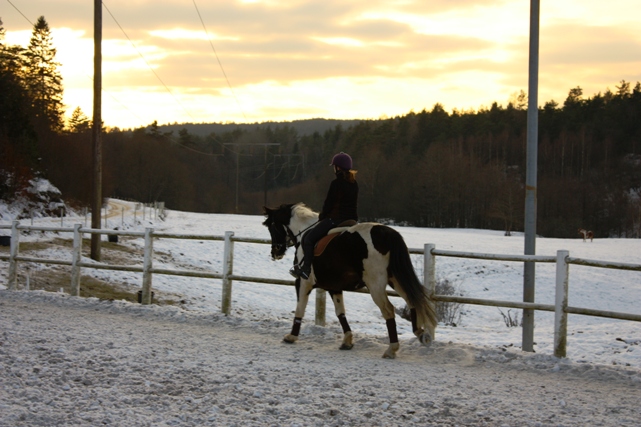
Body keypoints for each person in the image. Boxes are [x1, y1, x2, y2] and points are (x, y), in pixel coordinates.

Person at [290, 152, 359, 280]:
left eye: (334, 166)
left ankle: (306, 270)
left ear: (338, 167)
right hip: (352, 220)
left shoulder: (336, 183)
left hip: (336, 220)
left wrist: (323, 215)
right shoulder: (354, 183)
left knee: (308, 239)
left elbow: (329, 203)